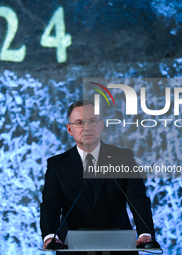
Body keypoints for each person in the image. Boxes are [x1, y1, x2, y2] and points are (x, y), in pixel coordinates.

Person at [40, 100, 155, 254]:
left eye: (92, 121)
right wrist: (50, 236)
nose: (87, 128)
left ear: (101, 125)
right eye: (80, 123)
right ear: (69, 129)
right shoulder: (57, 165)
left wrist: (145, 233)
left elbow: (137, 198)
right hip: (72, 248)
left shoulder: (123, 158)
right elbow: (50, 204)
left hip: (118, 247)